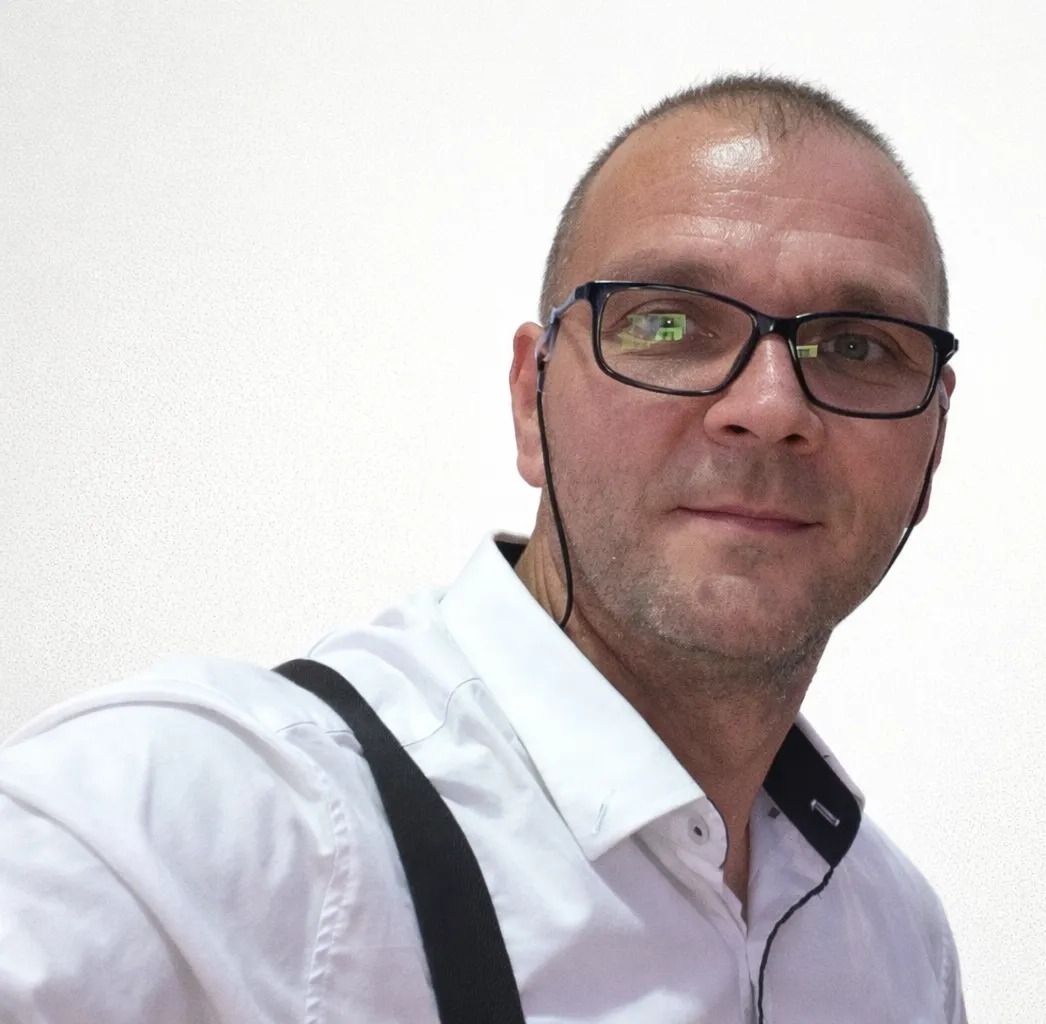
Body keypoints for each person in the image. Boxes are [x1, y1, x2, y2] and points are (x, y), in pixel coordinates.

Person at [0, 73, 964, 1022]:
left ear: (932, 449)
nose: (770, 407)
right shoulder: (211, 828)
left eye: (858, 347)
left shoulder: (897, 945)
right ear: (530, 403)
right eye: (667, 322)